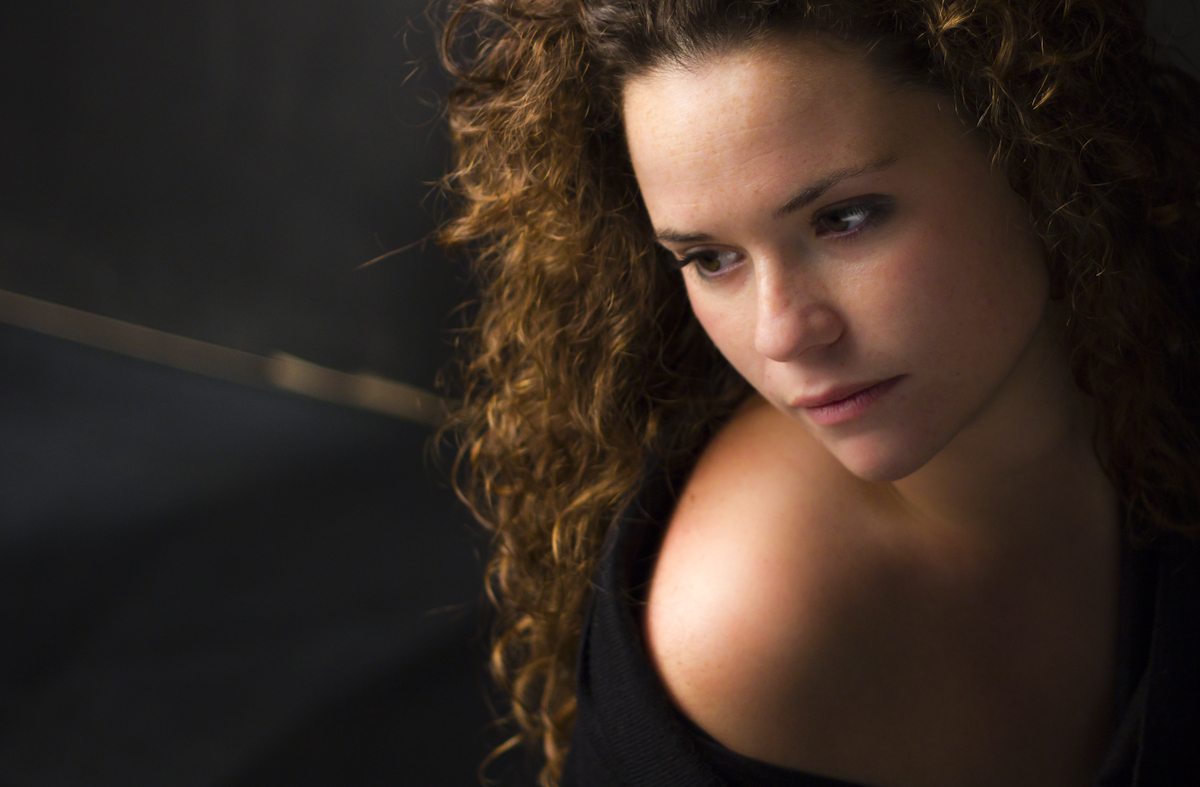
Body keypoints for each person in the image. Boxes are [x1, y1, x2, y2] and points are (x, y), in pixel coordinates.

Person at [435, 1, 1200, 785]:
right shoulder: (751, 626)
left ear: (1030, 143)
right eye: (710, 259)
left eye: (845, 218)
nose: (781, 334)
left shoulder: (1171, 342)